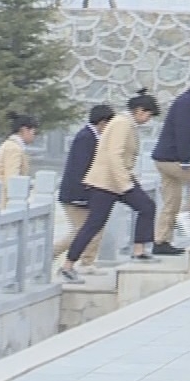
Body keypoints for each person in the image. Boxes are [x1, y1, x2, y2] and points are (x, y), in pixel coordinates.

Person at [61, 93, 161, 278]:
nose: (148, 120)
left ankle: (139, 250)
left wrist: (130, 180)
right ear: (139, 111)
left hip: (116, 180)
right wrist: (126, 184)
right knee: (94, 224)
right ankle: (68, 265)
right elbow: (114, 155)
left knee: (147, 206)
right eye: (148, 115)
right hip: (107, 182)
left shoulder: (125, 123)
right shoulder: (122, 123)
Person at [151, 65, 190, 255]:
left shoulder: (189, 101)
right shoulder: (187, 102)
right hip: (173, 158)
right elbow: (183, 132)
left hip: (165, 157)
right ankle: (187, 217)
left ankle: (161, 241)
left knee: (171, 202)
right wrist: (187, 159)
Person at [54, 105, 113, 271]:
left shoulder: (92, 137)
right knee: (84, 231)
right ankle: (55, 254)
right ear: (102, 122)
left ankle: (87, 261)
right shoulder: (85, 138)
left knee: (92, 229)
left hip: (85, 193)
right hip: (76, 194)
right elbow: (81, 168)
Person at [0, 113, 38, 209]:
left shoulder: (13, 146)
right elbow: (12, 178)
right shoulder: (13, 148)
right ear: (24, 130)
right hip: (6, 202)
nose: (34, 136)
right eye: (33, 132)